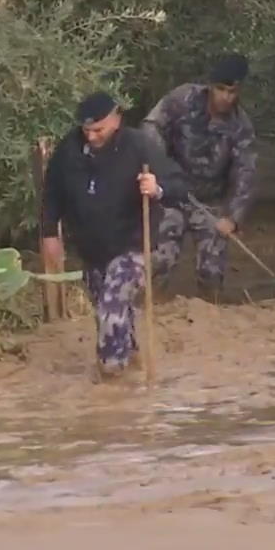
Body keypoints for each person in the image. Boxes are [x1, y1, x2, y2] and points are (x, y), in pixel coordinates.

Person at [40, 91, 188, 379]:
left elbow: (178, 185)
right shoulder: (68, 151)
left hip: (133, 243)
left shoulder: (139, 145)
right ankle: (130, 357)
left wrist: (156, 187)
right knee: (108, 311)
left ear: (116, 120)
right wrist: (49, 234)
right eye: (87, 130)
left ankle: (111, 373)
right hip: (92, 247)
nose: (92, 137)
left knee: (112, 302)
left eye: (99, 130)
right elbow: (52, 193)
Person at [142, 53, 258, 303]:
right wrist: (160, 169)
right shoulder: (181, 99)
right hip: (170, 195)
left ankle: (209, 316)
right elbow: (151, 128)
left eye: (232, 91)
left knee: (211, 270)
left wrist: (233, 217)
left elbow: (245, 171)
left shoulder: (241, 125)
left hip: (208, 203)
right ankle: (153, 307)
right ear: (210, 86)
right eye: (220, 89)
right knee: (160, 259)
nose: (226, 97)